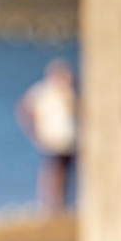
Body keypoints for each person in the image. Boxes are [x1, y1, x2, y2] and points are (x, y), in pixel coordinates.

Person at [15, 57, 79, 212]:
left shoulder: (71, 91)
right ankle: (49, 204)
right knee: (53, 171)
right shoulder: (43, 91)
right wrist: (34, 131)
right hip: (52, 139)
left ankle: (62, 203)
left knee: (67, 171)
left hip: (70, 140)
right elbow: (23, 109)